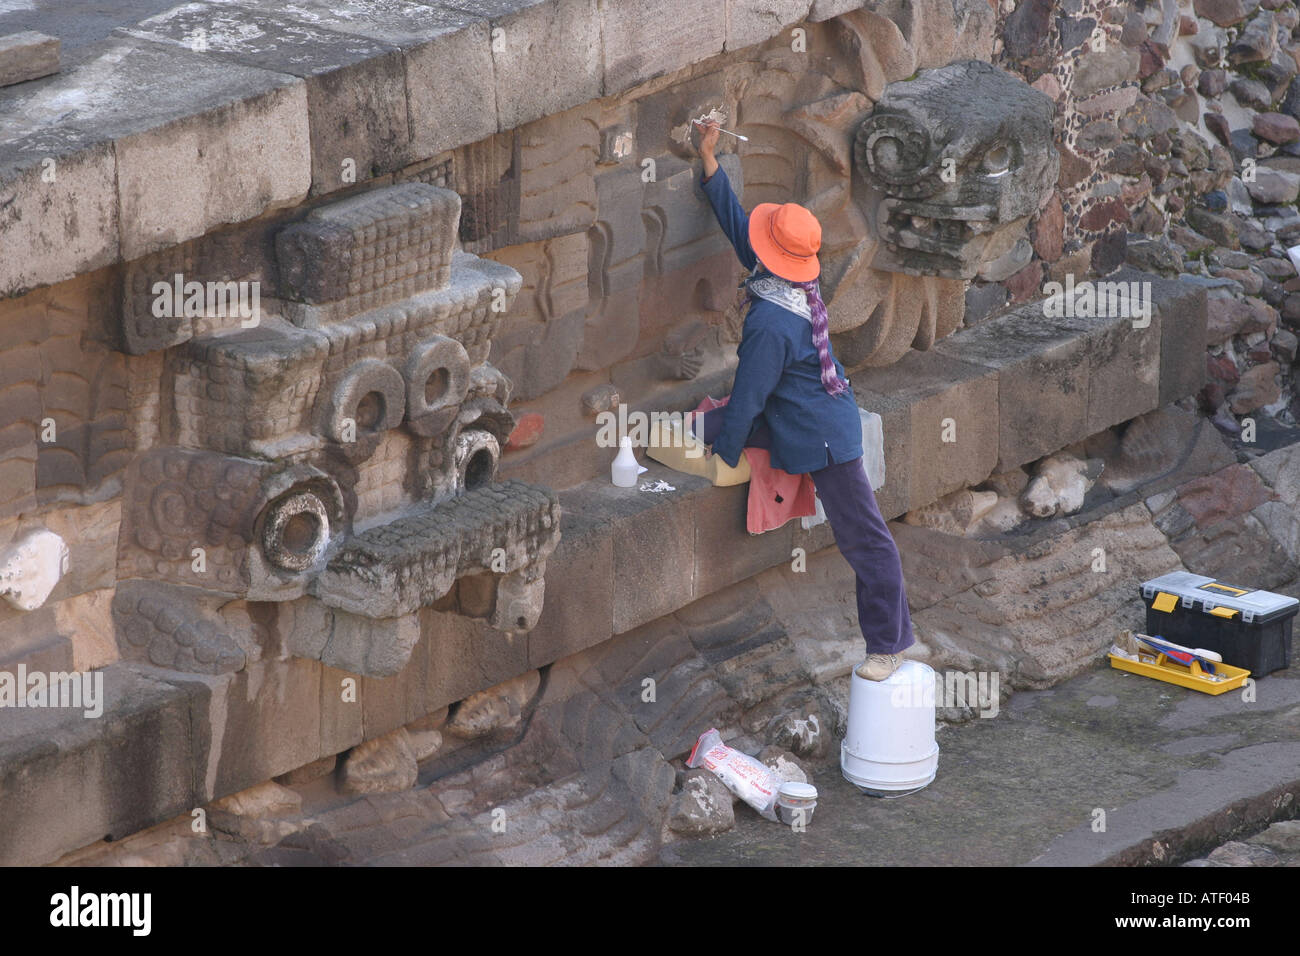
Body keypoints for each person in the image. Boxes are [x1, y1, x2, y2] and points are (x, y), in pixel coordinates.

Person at [694, 120, 914, 681]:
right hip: (798, 415)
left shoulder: (770, 319)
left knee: (866, 541)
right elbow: (740, 229)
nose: (756, 244)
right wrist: (708, 159)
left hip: (822, 437)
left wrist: (725, 456)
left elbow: (749, 395)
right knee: (697, 428)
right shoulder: (784, 284)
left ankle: (888, 646)